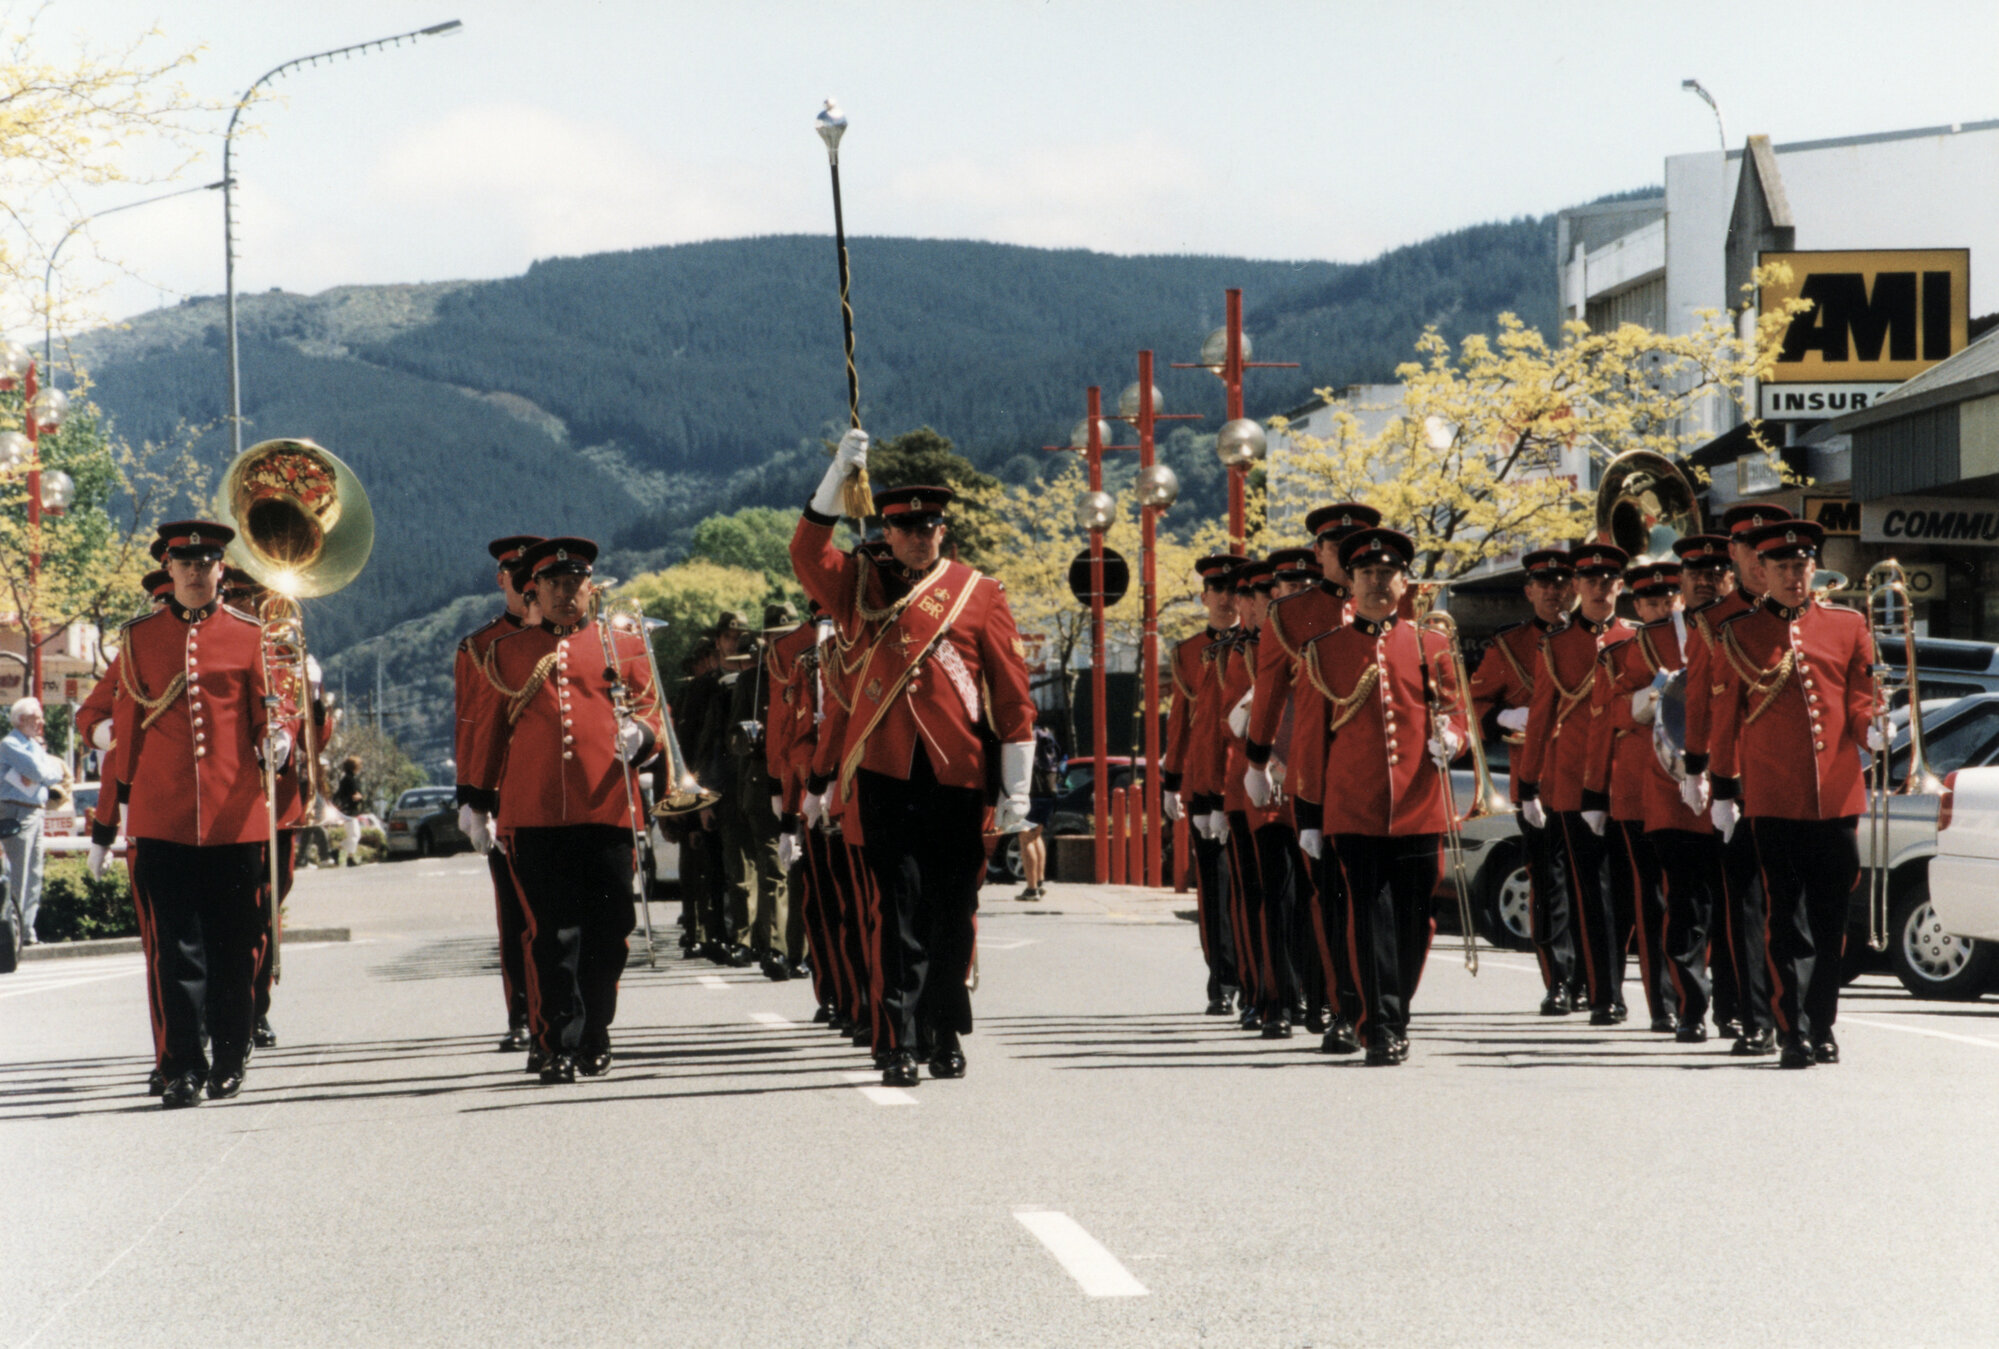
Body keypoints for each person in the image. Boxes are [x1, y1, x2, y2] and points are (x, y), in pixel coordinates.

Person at [790, 430, 1036, 1088]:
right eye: (905, 528)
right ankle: (895, 1039)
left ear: (942, 531)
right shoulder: (857, 588)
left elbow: (1010, 692)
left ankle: (943, 1029)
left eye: (929, 528)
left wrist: (1016, 786)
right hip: (885, 773)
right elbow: (806, 551)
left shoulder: (978, 592)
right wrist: (836, 478)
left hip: (958, 775)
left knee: (952, 910)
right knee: (894, 912)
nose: (919, 538)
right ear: (887, 533)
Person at [87, 519, 284, 1108]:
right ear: (168, 569)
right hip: (161, 815)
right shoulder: (139, 638)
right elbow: (115, 727)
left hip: (234, 817)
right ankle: (181, 1067)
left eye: (206, 563)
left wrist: (276, 739)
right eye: (185, 563)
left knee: (232, 947)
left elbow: (267, 714)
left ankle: (229, 1055)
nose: (196, 572)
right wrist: (109, 814)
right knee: (175, 953)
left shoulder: (250, 635)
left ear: (221, 569)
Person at [464, 536, 666, 1084]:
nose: (564, 592)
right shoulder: (508, 653)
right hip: (534, 814)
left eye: (573, 582)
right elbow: (488, 734)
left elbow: (654, 712)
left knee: (610, 931)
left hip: (607, 808)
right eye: (552, 583)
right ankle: (557, 1042)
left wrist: (643, 735)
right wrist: (476, 802)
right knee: (552, 935)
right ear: (534, 589)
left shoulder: (623, 645)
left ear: (590, 584)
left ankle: (596, 1031)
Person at [1706, 518, 1877, 1068]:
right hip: (1775, 797)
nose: (1793, 576)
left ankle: (1822, 1024)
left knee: (1831, 920)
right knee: (1785, 918)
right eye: (1781, 567)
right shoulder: (1740, 634)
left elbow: (1861, 695)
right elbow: (1724, 719)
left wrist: (1872, 727)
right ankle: (1792, 1030)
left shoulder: (1848, 625)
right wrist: (1722, 788)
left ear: (1813, 567)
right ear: (1762, 571)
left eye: (1801, 565)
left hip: (1838, 795)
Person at [1296, 527, 1464, 1065]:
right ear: (1351, 582)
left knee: (1417, 920)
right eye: (1366, 573)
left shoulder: (1432, 645)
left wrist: (1454, 738)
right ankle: (1380, 1026)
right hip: (1354, 808)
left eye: (1386, 573)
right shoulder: (1325, 651)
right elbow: (1310, 740)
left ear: (1403, 581)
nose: (1376, 582)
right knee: (1369, 918)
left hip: (1420, 804)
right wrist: (1309, 815)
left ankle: (1396, 1011)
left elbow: (1457, 714)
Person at [1245, 503, 1380, 1051]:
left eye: (1356, 546)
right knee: (1332, 894)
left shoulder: (1391, 601)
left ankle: (1380, 1004)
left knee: (1382, 898)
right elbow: (1269, 692)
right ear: (1319, 552)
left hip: (1383, 772)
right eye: (1335, 547)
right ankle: (1345, 1006)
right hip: (1318, 771)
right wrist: (1256, 760)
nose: (1347, 558)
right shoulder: (1291, 614)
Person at [1680, 503, 1787, 1056]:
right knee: (1743, 904)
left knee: (1795, 903)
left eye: (1769, 549)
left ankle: (1802, 1017)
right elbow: (1701, 700)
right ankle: (1753, 1015)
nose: (1760, 559)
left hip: (1793, 780)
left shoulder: (1808, 615)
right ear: (1738, 556)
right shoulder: (1712, 621)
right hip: (1739, 780)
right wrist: (1699, 769)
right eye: (1749, 549)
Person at [1516, 541, 1633, 1024]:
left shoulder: (1635, 638)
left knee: (1624, 893)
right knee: (1589, 892)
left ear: (1620, 586)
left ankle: (1612, 984)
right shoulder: (1557, 645)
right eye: (1590, 581)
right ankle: (1604, 994)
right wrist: (1527, 785)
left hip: (1625, 782)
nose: (1600, 589)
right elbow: (1540, 717)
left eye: (1608, 581)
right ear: (1578, 586)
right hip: (1571, 782)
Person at [1469, 548, 1579, 1015]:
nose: (1555, 593)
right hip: (1537, 784)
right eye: (1544, 585)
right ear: (1529, 591)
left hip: (1594, 779)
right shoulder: (1510, 645)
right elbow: (1473, 706)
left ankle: (1596, 981)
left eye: (1563, 584)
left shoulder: (1597, 639)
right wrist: (1506, 717)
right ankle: (1560, 981)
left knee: (1595, 884)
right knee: (1549, 885)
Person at [454, 534, 543, 1055]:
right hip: (503, 793)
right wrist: (470, 799)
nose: (525, 586)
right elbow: (470, 724)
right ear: (501, 580)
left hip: (555, 791)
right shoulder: (479, 646)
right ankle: (522, 1014)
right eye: (516, 576)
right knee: (514, 914)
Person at [1161, 554, 1242, 1015]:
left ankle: (1259, 978)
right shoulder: (1188, 652)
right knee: (1214, 886)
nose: (1227, 598)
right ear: (1204, 597)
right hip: (1203, 784)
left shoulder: (1261, 645)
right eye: (1219, 590)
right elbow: (1180, 722)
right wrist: (1172, 781)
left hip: (1247, 781)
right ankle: (1223, 980)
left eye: (1234, 589)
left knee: (1252, 886)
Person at [1, 697, 67, 947]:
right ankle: (13, 932)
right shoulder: (10, 744)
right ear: (22, 720)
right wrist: (40, 774)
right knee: (19, 872)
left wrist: (39, 775)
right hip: (17, 812)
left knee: (35, 873)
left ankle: (27, 931)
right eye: (37, 718)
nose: (42, 722)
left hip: (35, 811)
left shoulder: (32, 745)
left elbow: (57, 772)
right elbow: (41, 772)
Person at [1018, 716, 1063, 902]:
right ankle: (1039, 882)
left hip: (1032, 793)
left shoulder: (1026, 735)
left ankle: (1031, 889)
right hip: (1048, 792)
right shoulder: (1045, 734)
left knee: (1025, 837)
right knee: (1036, 835)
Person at [330, 755, 366, 866]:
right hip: (349, 812)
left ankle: (347, 855)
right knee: (355, 835)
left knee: (354, 835)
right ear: (354, 767)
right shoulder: (350, 780)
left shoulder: (346, 779)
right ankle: (339, 852)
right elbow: (354, 795)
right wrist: (360, 797)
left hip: (346, 811)